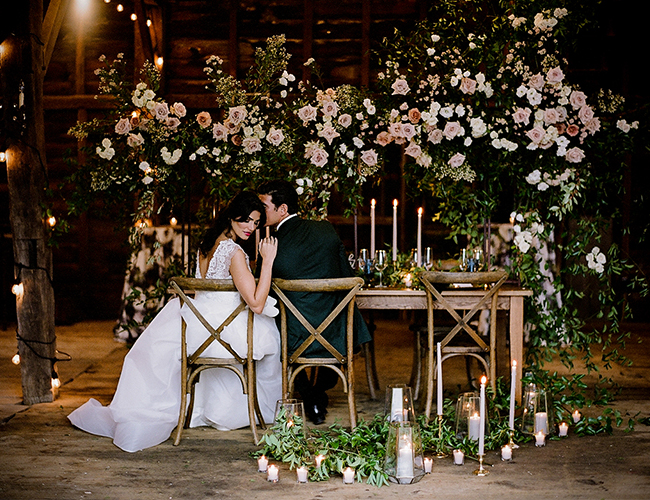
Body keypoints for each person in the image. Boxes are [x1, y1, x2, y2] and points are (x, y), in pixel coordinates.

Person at [68, 192, 282, 452]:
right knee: (269, 332)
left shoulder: (209, 245)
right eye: (246, 220)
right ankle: (258, 410)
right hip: (221, 332)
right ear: (231, 216)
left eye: (256, 223)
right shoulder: (234, 252)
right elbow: (257, 304)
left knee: (264, 330)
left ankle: (212, 408)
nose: (251, 227)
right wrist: (268, 261)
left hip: (198, 329)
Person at [257, 180, 371, 425]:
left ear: (283, 209)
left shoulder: (271, 245)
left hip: (291, 337)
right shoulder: (326, 230)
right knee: (344, 323)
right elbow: (347, 278)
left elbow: (262, 292)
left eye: (263, 205)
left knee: (268, 324)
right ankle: (316, 395)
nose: (257, 211)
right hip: (334, 335)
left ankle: (309, 394)